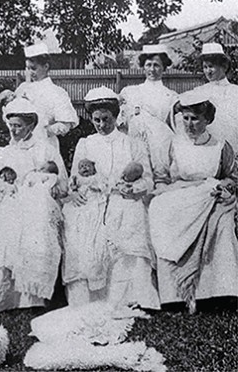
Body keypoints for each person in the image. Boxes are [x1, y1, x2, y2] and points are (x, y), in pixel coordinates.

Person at [63, 86, 159, 310]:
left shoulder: (133, 143)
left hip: (122, 197)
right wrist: (75, 191)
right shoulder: (86, 143)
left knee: (131, 218)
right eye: (96, 120)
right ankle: (88, 298)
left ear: (116, 117)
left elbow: (148, 180)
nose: (101, 125)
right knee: (78, 223)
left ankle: (130, 297)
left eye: (106, 119)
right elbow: (74, 178)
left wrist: (132, 189)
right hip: (93, 198)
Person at [149, 92, 238, 313]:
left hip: (210, 198)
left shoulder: (220, 146)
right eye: (185, 118)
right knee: (160, 212)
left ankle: (218, 293)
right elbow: (161, 178)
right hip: (179, 196)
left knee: (223, 225)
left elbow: (232, 177)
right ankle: (174, 295)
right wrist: (164, 192)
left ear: (207, 120)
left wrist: (222, 186)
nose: (189, 124)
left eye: (195, 119)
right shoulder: (173, 144)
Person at [0, 97, 67, 314]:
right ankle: (4, 296)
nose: (14, 131)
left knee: (35, 222)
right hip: (10, 202)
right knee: (9, 220)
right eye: (11, 126)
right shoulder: (2, 153)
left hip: (38, 202)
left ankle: (32, 296)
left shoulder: (46, 150)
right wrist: (5, 187)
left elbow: (61, 184)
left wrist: (44, 187)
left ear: (31, 126)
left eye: (18, 126)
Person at [118, 44, 177, 177]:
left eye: (156, 65)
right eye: (148, 65)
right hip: (136, 143)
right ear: (143, 66)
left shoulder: (171, 96)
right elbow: (122, 124)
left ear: (164, 67)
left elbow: (172, 127)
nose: (152, 69)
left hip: (160, 147)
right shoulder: (130, 92)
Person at [13, 43, 79, 150]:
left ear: (46, 67)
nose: (30, 72)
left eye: (33, 68)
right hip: (20, 144)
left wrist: (45, 131)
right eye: (27, 68)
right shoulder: (22, 89)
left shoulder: (57, 92)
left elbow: (66, 124)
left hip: (44, 145)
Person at [174, 43, 238, 150]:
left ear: (224, 66)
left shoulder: (235, 91)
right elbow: (176, 106)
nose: (208, 71)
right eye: (205, 67)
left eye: (211, 66)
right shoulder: (199, 92)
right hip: (208, 147)